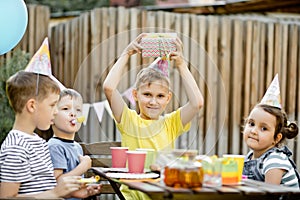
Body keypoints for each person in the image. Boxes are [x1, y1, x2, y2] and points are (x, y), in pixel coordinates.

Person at [103, 33, 204, 199]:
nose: (153, 102)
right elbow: (108, 87)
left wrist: (181, 65)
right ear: (135, 95)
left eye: (160, 96)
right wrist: (126, 53)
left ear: (168, 98)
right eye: (147, 94)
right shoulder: (128, 120)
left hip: (163, 195)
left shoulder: (171, 123)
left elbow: (197, 103)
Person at [0, 71, 89, 198]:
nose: (56, 111)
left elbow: (45, 189)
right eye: (52, 105)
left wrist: (72, 192)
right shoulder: (16, 148)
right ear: (32, 106)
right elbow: (6, 198)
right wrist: (55, 193)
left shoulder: (39, 142)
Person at [48, 88, 101, 200]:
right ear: (52, 117)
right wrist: (83, 167)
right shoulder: (54, 147)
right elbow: (57, 185)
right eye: (66, 109)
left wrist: (86, 188)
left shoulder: (77, 147)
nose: (73, 114)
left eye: (78, 110)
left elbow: (74, 183)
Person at [243, 104, 299, 188]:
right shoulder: (249, 157)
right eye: (251, 123)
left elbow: (270, 195)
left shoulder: (275, 160)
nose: (253, 131)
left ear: (276, 138)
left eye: (264, 128)